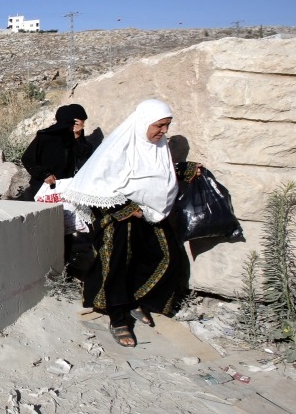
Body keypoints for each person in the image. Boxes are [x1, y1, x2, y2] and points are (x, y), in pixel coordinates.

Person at [62, 99, 201, 348]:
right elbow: (94, 183)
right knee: (117, 261)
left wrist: (182, 170)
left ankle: (136, 301)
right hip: (118, 219)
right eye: (159, 125)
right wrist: (123, 208)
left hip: (150, 214)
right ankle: (118, 317)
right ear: (143, 124)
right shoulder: (119, 146)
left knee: (165, 256)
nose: (164, 131)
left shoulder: (158, 147)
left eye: (167, 126)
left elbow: (154, 174)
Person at [21, 103, 93, 200]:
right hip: (44, 187)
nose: (82, 126)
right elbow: (27, 159)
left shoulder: (75, 137)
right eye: (81, 123)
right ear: (72, 121)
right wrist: (45, 174)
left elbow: (83, 155)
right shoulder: (46, 137)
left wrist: (78, 136)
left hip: (66, 187)